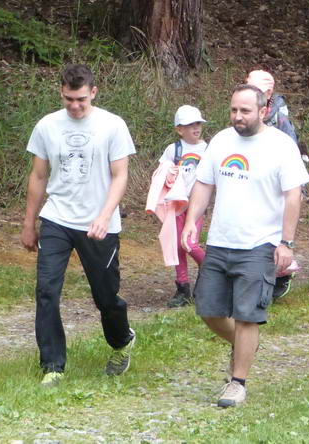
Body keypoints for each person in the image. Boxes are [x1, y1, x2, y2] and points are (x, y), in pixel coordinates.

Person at [181, 84, 309, 408]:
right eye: (234, 110)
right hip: (220, 241)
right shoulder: (221, 141)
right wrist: (191, 222)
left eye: (245, 111)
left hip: (260, 244)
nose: (238, 116)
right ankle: (244, 346)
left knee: (247, 316)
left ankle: (237, 383)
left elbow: (293, 196)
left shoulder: (281, 146)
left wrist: (286, 242)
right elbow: (204, 184)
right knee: (208, 310)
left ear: (263, 111)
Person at [21, 64, 137, 386]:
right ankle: (53, 366)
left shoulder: (112, 125)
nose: (75, 106)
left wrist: (104, 216)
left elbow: (120, 176)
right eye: (69, 99)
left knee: (106, 296)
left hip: (99, 223)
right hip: (57, 217)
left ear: (93, 93)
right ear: (61, 92)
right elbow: (38, 176)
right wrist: (29, 223)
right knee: (46, 290)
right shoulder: (47, 126)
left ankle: (121, 340)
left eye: (81, 99)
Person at [245, 70, 305, 299]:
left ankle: (282, 274)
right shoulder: (246, 112)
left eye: (256, 90)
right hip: (253, 181)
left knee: (276, 231)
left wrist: (295, 188)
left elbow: (292, 151)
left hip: (278, 184)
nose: (251, 93)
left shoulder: (279, 117)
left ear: (269, 93)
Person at [158, 105, 209, 307]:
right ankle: (182, 286)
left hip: (196, 205)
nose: (196, 128)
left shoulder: (207, 150)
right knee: (177, 245)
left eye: (198, 124)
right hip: (176, 205)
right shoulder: (174, 150)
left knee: (189, 244)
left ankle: (210, 271)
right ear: (180, 129)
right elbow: (162, 172)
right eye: (190, 125)